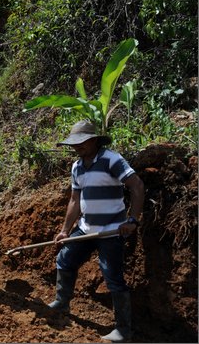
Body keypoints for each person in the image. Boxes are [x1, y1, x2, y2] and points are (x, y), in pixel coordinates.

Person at [49, 120, 144, 342]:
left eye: (81, 143)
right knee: (65, 259)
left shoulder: (112, 160)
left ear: (93, 140)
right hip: (85, 228)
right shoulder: (77, 167)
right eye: (74, 144)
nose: (77, 147)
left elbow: (137, 186)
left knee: (112, 276)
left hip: (111, 231)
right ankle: (62, 303)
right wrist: (65, 230)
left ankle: (123, 329)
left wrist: (133, 220)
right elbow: (74, 200)